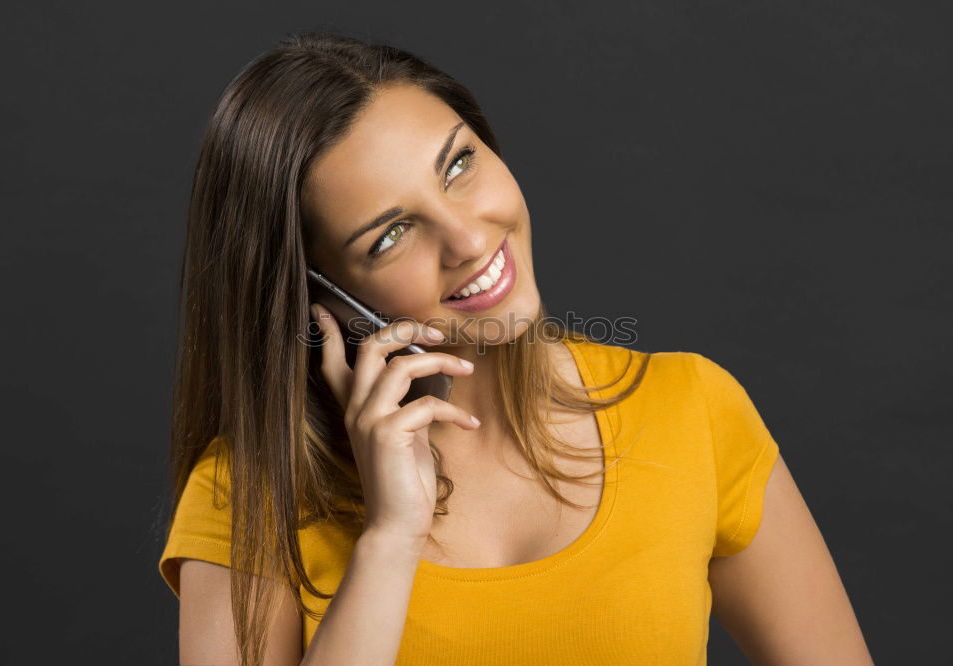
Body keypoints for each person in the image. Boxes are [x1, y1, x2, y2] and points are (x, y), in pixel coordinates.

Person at [157, 32, 873, 665]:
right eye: (390, 235)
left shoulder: (693, 412)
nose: (469, 240)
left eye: (459, 165)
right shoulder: (247, 494)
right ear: (320, 294)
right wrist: (390, 539)